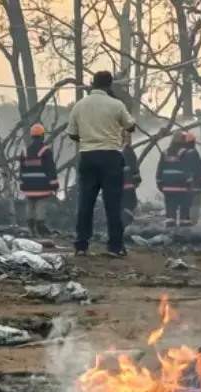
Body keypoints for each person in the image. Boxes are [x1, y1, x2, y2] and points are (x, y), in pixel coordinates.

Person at [66, 70, 136, 257]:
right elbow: (131, 126)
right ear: (110, 84)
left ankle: (81, 245)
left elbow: (72, 133)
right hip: (111, 156)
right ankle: (115, 246)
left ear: (92, 83)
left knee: (85, 202)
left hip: (87, 156)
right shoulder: (116, 104)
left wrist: (88, 136)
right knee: (113, 203)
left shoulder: (80, 105)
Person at [18, 123, 59, 236]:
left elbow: (22, 170)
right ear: (42, 136)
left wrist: (22, 183)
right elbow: (50, 169)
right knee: (40, 206)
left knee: (30, 205)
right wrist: (54, 184)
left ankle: (30, 228)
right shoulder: (46, 151)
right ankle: (40, 228)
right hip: (42, 187)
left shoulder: (25, 152)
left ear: (32, 136)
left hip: (28, 187)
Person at [157, 130, 197, 227]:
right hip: (181, 187)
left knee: (170, 213)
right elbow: (187, 169)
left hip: (167, 188)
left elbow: (159, 170)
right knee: (184, 211)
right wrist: (190, 184)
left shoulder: (165, 153)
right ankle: (184, 233)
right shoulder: (185, 153)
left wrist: (160, 184)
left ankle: (170, 233)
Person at [183, 132, 201, 226]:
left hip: (192, 184)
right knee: (195, 205)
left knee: (191, 205)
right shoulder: (192, 154)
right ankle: (193, 224)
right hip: (196, 185)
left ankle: (190, 223)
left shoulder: (185, 154)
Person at [120, 136, 141, 228]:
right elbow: (135, 170)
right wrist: (137, 181)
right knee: (128, 207)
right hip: (128, 188)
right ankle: (126, 226)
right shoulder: (129, 153)